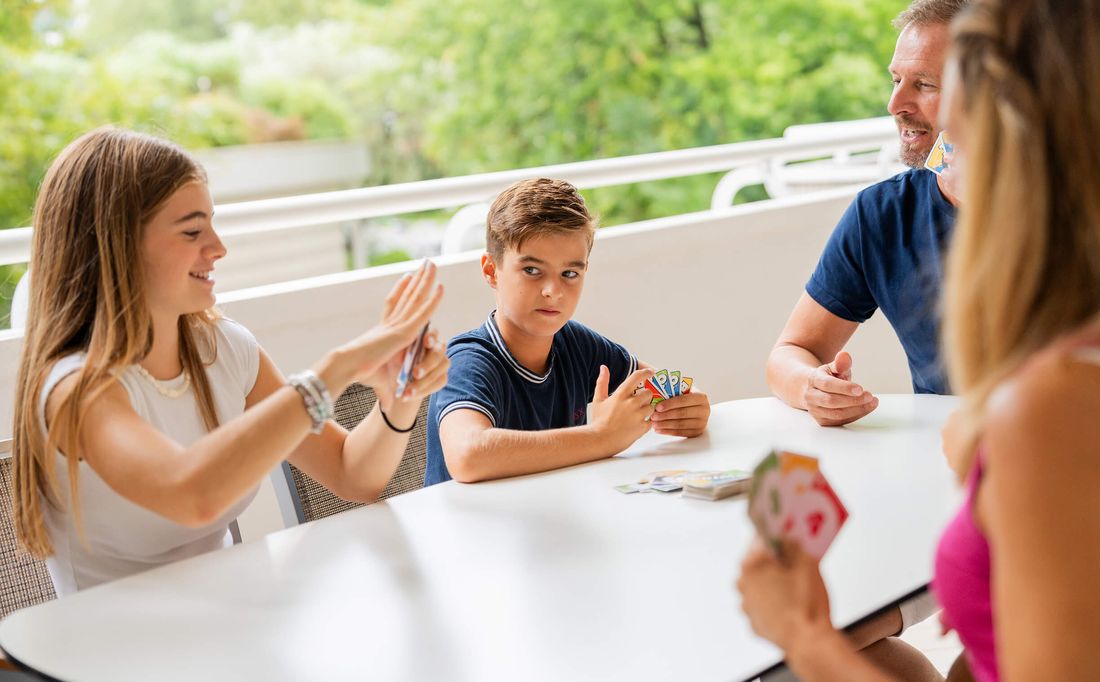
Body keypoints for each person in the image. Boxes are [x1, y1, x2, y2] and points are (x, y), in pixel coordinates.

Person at [739, 0, 1100, 681]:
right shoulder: (890, 214)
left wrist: (804, 638)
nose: (904, 105)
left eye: (938, 88)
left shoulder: (1052, 406)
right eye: (898, 79)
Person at [12, 127, 449, 594]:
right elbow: (191, 495)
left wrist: (397, 400)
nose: (218, 247)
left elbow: (350, 474)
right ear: (115, 244)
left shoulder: (224, 350)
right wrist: (335, 369)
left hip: (232, 626)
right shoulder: (75, 390)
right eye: (192, 230)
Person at [766, 0, 982, 428]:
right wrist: (813, 387)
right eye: (896, 79)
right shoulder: (881, 215)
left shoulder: (1072, 202)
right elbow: (790, 352)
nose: (895, 104)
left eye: (923, 84)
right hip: (944, 456)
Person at [424, 177, 710, 485]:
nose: (553, 291)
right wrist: (600, 437)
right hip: (464, 531)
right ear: (492, 271)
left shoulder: (574, 343)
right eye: (532, 270)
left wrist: (688, 408)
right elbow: (468, 455)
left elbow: (662, 388)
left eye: (570, 273)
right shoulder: (468, 361)